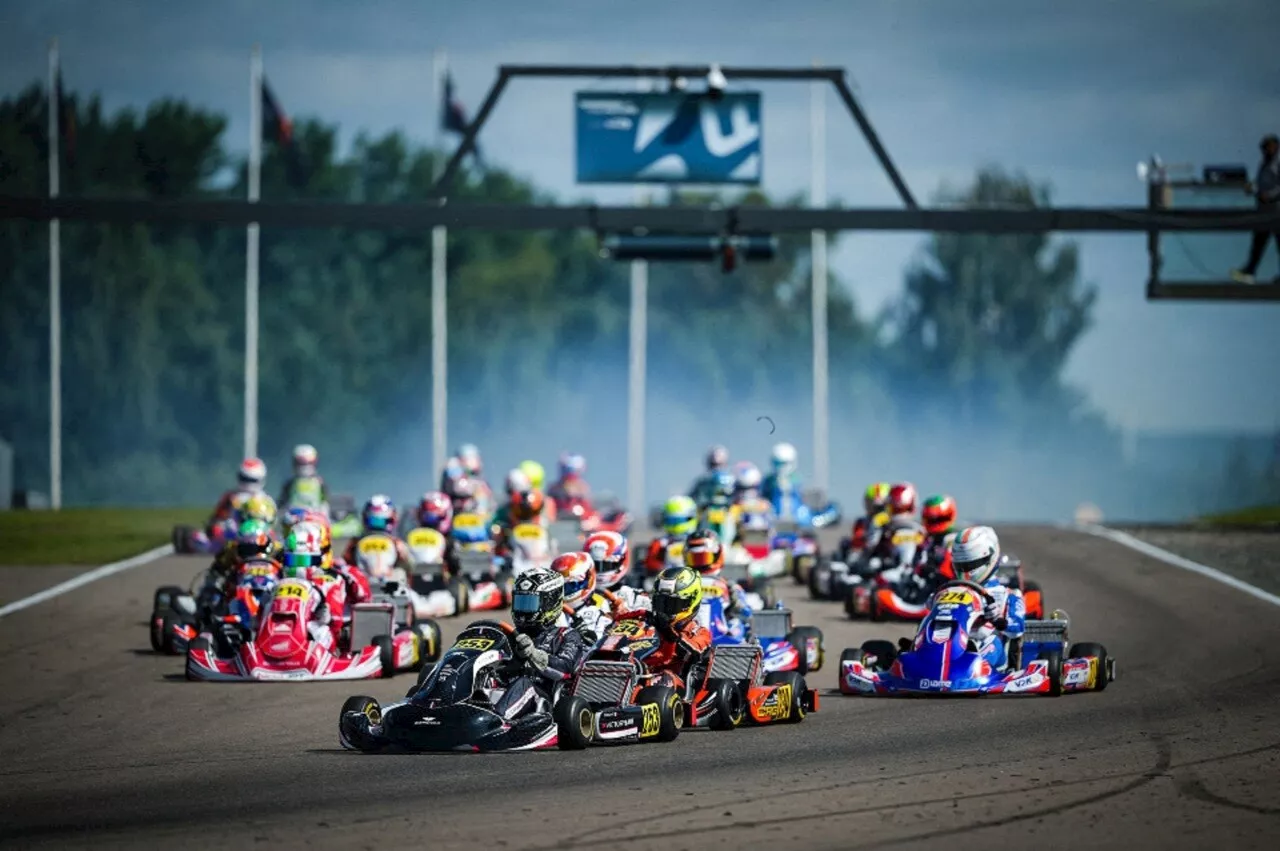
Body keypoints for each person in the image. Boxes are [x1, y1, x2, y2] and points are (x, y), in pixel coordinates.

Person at [493, 567, 588, 721]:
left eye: (529, 603)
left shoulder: (567, 635)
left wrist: (533, 654)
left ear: (550, 603)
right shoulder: (509, 636)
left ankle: (494, 722)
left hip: (543, 700)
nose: (522, 610)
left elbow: (564, 669)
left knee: (523, 684)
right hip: (505, 692)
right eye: (520, 603)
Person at [948, 525, 1025, 670]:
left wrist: (998, 620)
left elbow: (1018, 629)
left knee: (991, 639)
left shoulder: (1008, 594)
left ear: (990, 558)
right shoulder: (951, 591)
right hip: (956, 644)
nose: (966, 571)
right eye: (961, 566)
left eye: (971, 565)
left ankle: (973, 666)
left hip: (992, 650)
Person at [627, 566, 712, 694]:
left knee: (665, 678)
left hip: (671, 684)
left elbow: (695, 652)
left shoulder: (700, 632)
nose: (664, 610)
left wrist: (673, 636)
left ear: (689, 603)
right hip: (637, 672)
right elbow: (620, 621)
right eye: (661, 603)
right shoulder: (647, 620)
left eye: (672, 604)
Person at [1231, 133, 1280, 284]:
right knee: (1258, 243)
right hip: (1264, 211)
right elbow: (1260, 183)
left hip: (1276, 211)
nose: (1266, 151)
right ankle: (1250, 271)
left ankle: (1251, 270)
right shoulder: (1264, 164)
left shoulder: (1277, 164)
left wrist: (1270, 195)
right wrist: (1252, 188)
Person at [279, 523, 336, 650]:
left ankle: (320, 656)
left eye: (303, 561)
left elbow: (329, 620)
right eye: (294, 561)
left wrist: (324, 612)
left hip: (307, 636)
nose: (298, 566)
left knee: (322, 631)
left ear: (315, 561)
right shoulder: (277, 584)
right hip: (278, 627)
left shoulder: (327, 584)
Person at [683, 527, 749, 631]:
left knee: (741, 625)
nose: (700, 564)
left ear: (717, 555)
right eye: (695, 559)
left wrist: (738, 605)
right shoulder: (681, 584)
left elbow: (744, 610)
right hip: (688, 630)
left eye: (704, 558)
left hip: (722, 629)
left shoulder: (729, 585)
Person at [550, 551, 615, 643]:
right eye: (563, 587)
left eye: (573, 585)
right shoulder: (552, 609)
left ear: (589, 578)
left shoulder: (600, 603)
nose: (567, 590)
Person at [340, 495, 414, 570]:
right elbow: (345, 563)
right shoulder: (356, 543)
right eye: (373, 520)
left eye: (380, 521)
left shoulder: (396, 543)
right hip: (364, 577)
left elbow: (409, 565)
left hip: (389, 578)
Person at [584, 530, 649, 610]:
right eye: (596, 565)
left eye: (607, 565)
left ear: (621, 560)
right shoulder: (580, 597)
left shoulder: (634, 597)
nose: (601, 570)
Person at [643, 495, 699, 577]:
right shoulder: (660, 543)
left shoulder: (698, 541)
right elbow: (651, 566)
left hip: (694, 579)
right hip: (666, 581)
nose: (674, 524)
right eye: (670, 520)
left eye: (678, 520)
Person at [210, 458, 267, 525]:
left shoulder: (265, 500)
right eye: (245, 479)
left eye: (251, 480)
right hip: (234, 533)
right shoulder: (230, 497)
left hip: (258, 533)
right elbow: (217, 520)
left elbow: (271, 522)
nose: (247, 483)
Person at [277, 444, 329, 510]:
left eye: (307, 463)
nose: (304, 467)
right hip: (294, 518)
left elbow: (324, 505)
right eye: (300, 463)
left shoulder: (320, 484)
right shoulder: (290, 484)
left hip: (315, 517)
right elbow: (282, 505)